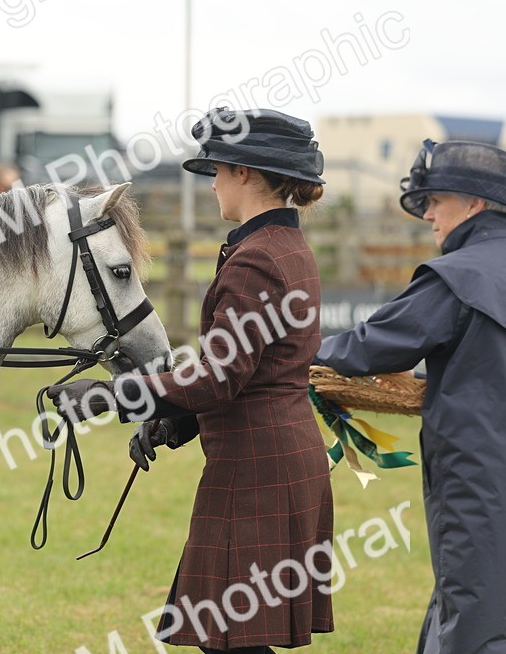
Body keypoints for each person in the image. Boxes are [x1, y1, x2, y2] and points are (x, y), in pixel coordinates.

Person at [47, 108, 334, 653]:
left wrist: (109, 394)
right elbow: (247, 372)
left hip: (258, 470)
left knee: (230, 640)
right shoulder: (284, 248)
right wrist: (175, 422)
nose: (214, 187)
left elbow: (219, 377)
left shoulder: (257, 260)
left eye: (219, 172)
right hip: (273, 457)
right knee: (225, 638)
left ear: (246, 173)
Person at [314, 139, 506, 654]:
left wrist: (298, 356)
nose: (429, 214)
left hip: (479, 468)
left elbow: (368, 346)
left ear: (475, 204)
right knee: (497, 603)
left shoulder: (458, 278)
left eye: (437, 200)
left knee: (477, 616)